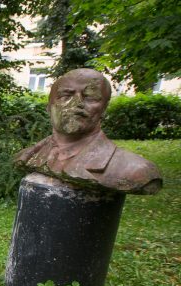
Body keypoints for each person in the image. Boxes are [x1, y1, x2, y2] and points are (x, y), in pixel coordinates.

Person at [14, 68, 162, 195]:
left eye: (90, 97)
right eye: (66, 96)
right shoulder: (28, 156)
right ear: (49, 106)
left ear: (104, 109)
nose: (76, 104)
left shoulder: (136, 170)